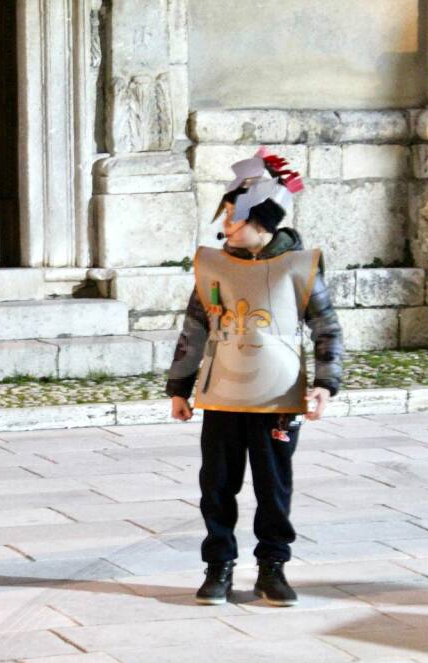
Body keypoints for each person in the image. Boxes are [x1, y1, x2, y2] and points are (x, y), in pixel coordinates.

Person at [167, 147, 343, 607]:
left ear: (260, 222)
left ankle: (273, 568)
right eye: (225, 215)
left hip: (278, 398)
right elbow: (195, 329)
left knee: (273, 487)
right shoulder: (212, 266)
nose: (225, 225)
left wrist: (325, 383)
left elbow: (326, 327)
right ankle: (218, 567)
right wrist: (179, 387)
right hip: (223, 393)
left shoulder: (298, 267)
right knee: (217, 485)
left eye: (234, 216)